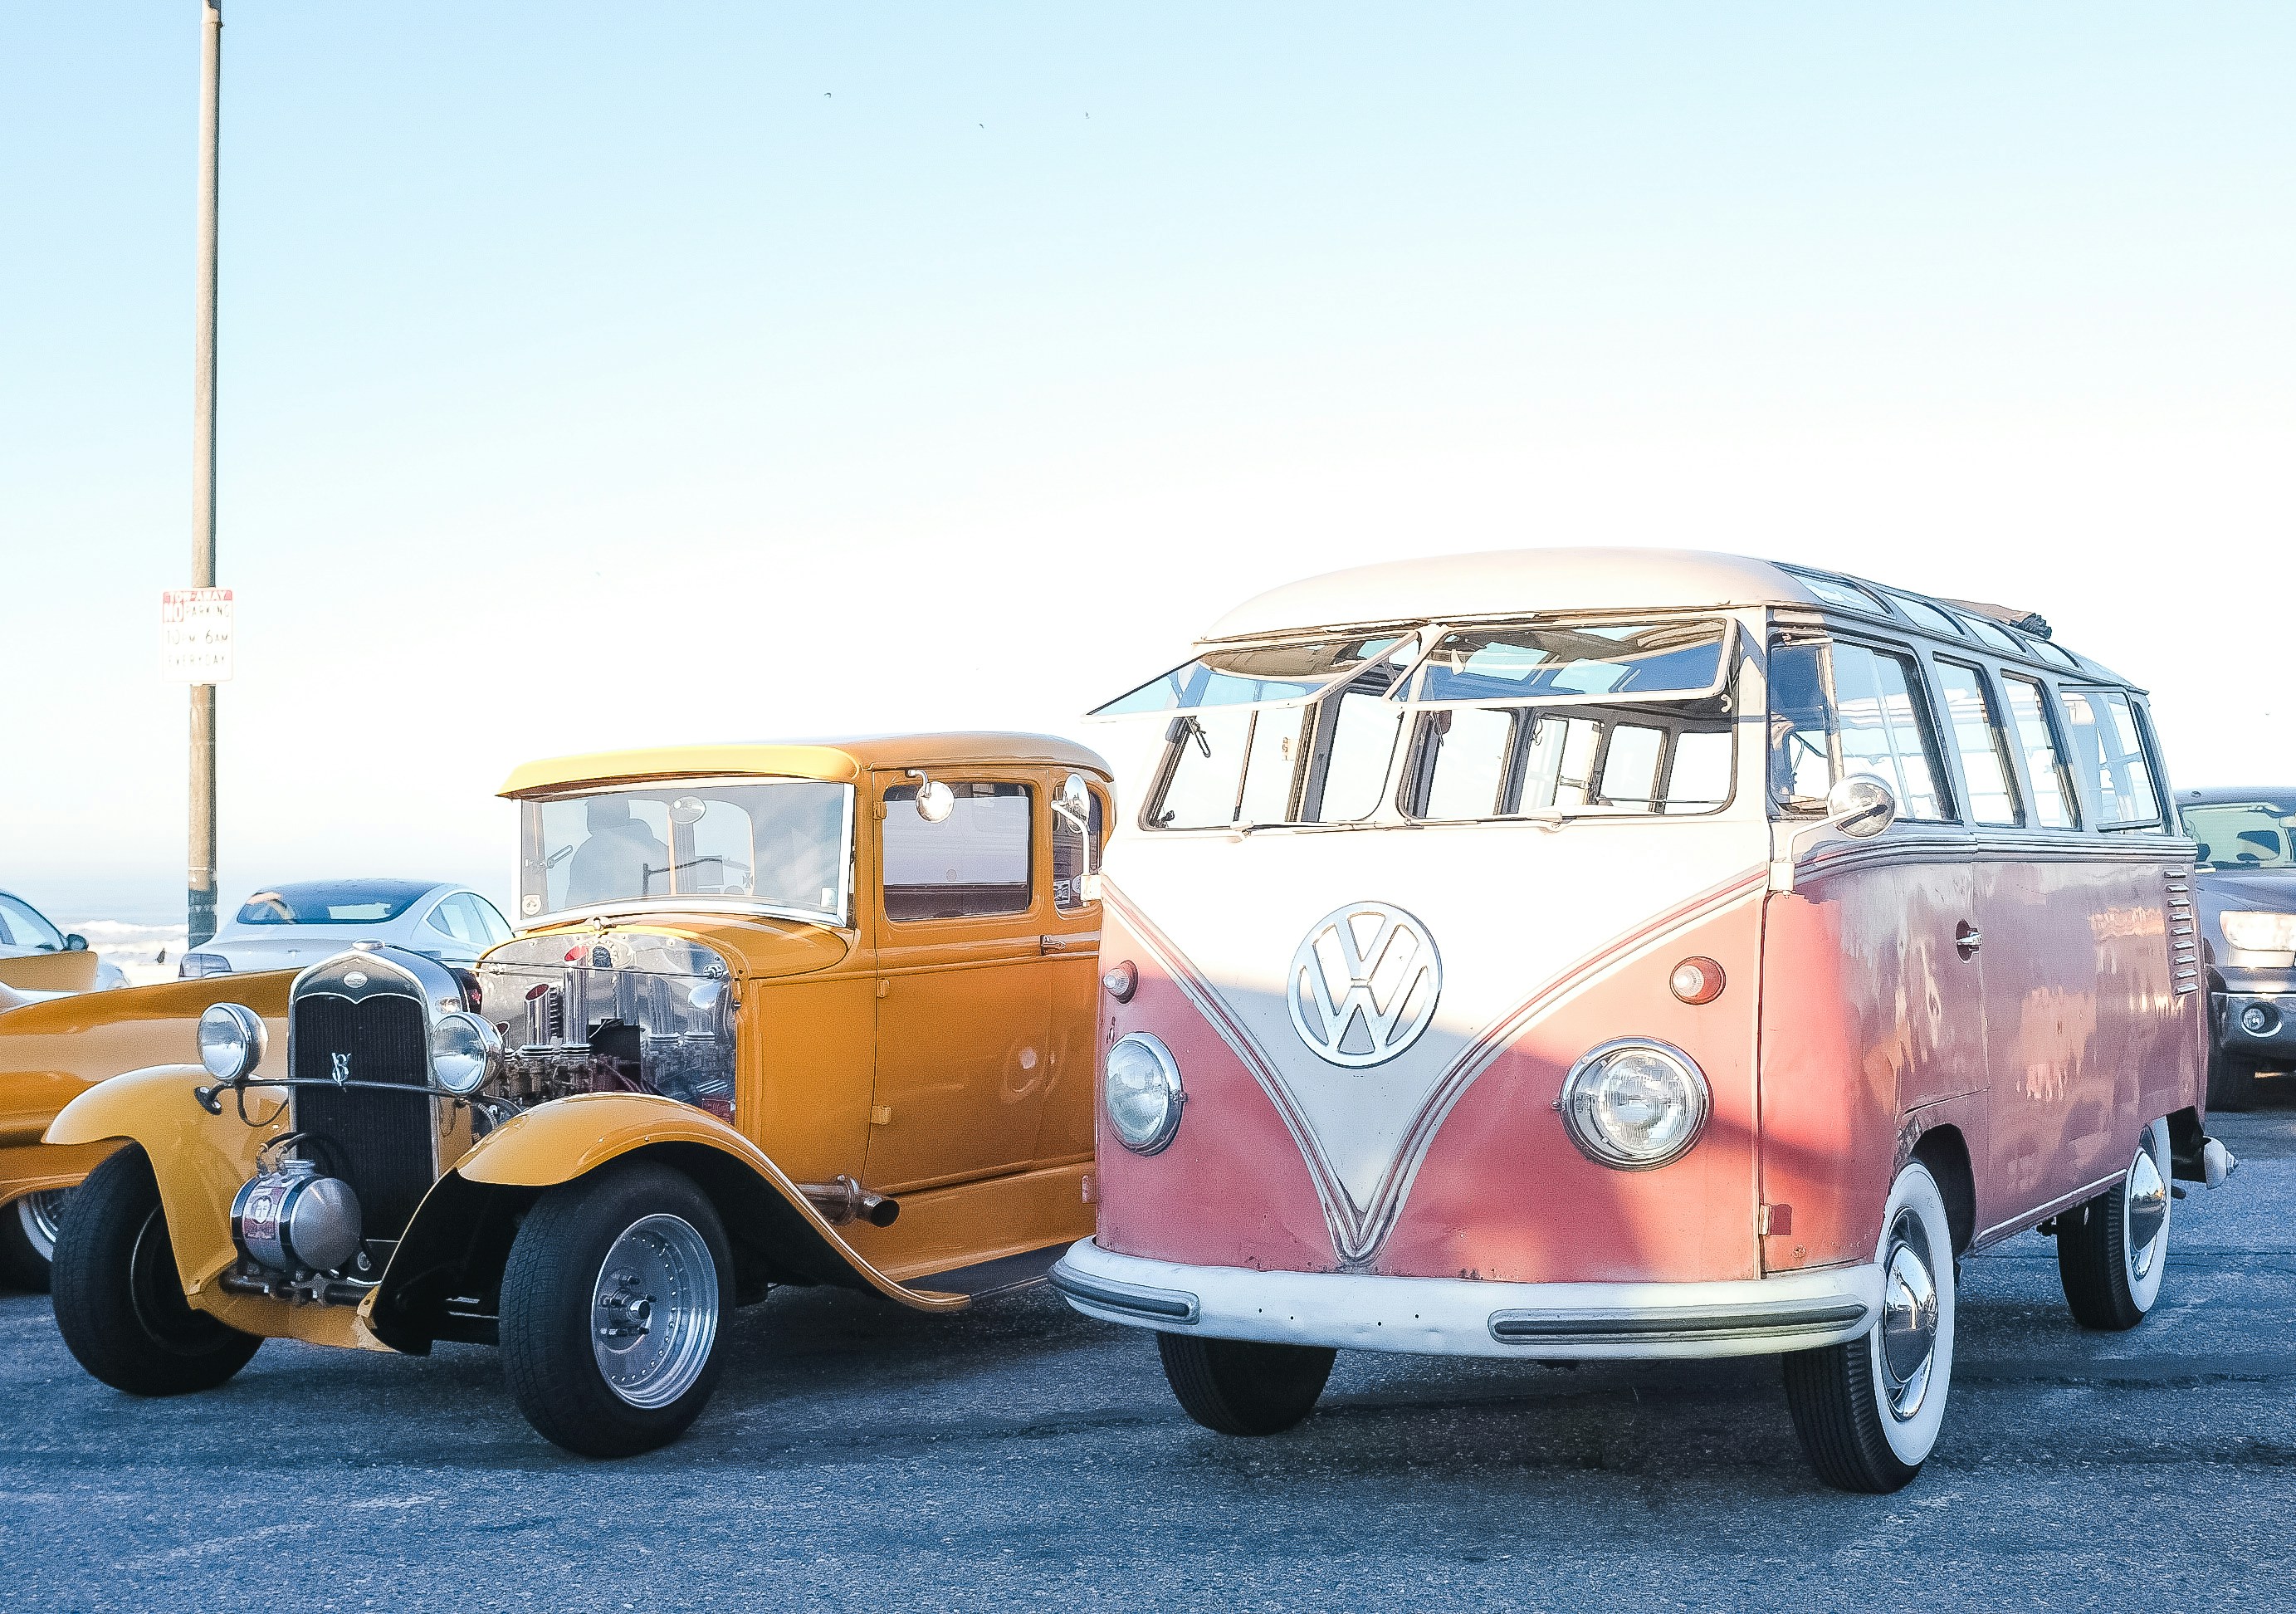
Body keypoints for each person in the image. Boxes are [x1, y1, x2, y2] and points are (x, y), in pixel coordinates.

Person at [564, 799, 671, 908]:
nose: (590, 815)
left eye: (594, 810)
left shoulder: (587, 853)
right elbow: (574, 905)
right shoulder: (661, 849)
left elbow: (575, 904)